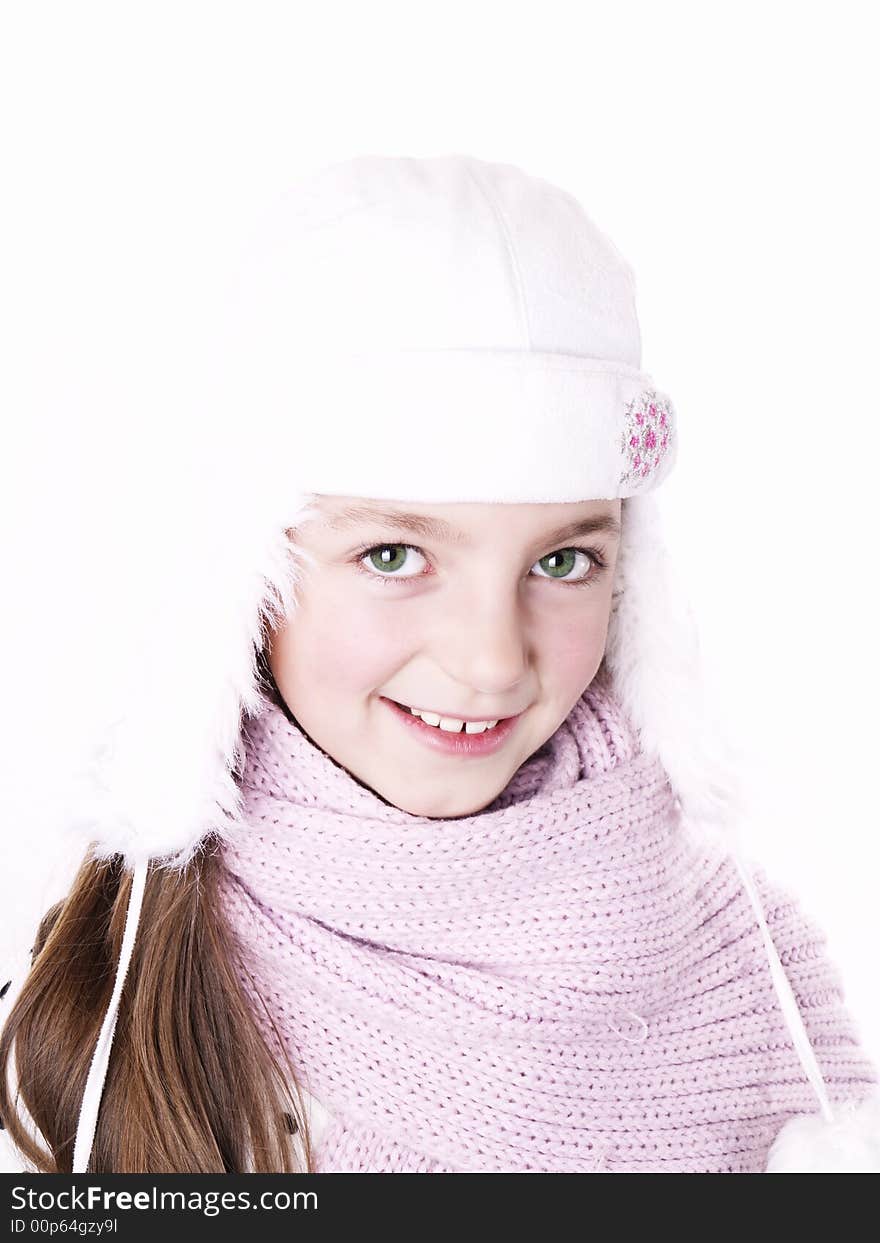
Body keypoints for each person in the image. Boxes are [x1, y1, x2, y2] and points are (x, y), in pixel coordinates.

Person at [2, 154, 878, 1174]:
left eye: (563, 559)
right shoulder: (93, 1020)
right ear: (241, 582)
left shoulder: (744, 969)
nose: (490, 660)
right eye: (393, 555)